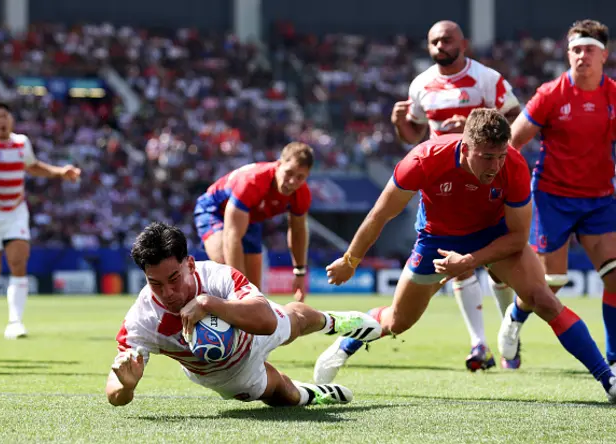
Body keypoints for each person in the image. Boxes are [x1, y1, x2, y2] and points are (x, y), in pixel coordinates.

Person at [313, 109, 616, 403]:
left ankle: (608, 379)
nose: (496, 165)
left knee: (544, 299)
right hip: (436, 240)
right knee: (397, 321)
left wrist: (469, 260)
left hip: (495, 235)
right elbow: (379, 215)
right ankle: (347, 341)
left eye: (499, 156)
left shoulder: (514, 164)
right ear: (465, 146)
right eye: (487, 156)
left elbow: (519, 237)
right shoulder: (423, 159)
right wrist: (350, 260)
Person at [105, 222, 382, 407]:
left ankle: (336, 322)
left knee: (295, 319)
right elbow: (114, 392)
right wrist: (126, 388)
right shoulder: (142, 320)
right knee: (282, 393)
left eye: (174, 278)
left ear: (189, 264)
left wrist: (208, 303)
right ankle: (315, 394)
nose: (168, 292)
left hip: (250, 327)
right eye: (155, 283)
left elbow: (266, 322)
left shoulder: (216, 276)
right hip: (224, 373)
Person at [389, 20, 522, 370]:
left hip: (483, 182)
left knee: (496, 269)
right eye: (433, 41)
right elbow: (413, 135)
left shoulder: (486, 79)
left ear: (463, 42)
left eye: (446, 39)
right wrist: (400, 123)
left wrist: (474, 130)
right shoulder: (421, 84)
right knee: (455, 265)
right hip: (443, 186)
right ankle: (479, 345)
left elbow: (515, 116)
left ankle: (511, 335)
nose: (439, 46)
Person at [503, 19, 616, 373]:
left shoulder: (613, 95)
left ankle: (613, 357)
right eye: (576, 50)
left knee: (614, 276)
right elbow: (512, 143)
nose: (582, 56)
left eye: (590, 50)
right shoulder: (551, 94)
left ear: (604, 55)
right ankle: (515, 316)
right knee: (551, 284)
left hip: (600, 199)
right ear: (568, 54)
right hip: (553, 198)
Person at [0, 100, 81, 339]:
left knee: (18, 262)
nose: (2, 121)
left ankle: (15, 322)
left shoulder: (22, 142)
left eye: (6, 117)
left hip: (15, 211)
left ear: (11, 121)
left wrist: (60, 172)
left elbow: (32, 167)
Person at [194, 142, 312, 302]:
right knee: (230, 276)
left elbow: (298, 232)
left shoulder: (302, 194)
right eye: (289, 173)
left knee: (254, 294)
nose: (292, 182)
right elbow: (231, 237)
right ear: (279, 164)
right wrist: (238, 291)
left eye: (300, 177)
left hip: (250, 219)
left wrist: (299, 272)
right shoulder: (253, 181)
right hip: (214, 211)